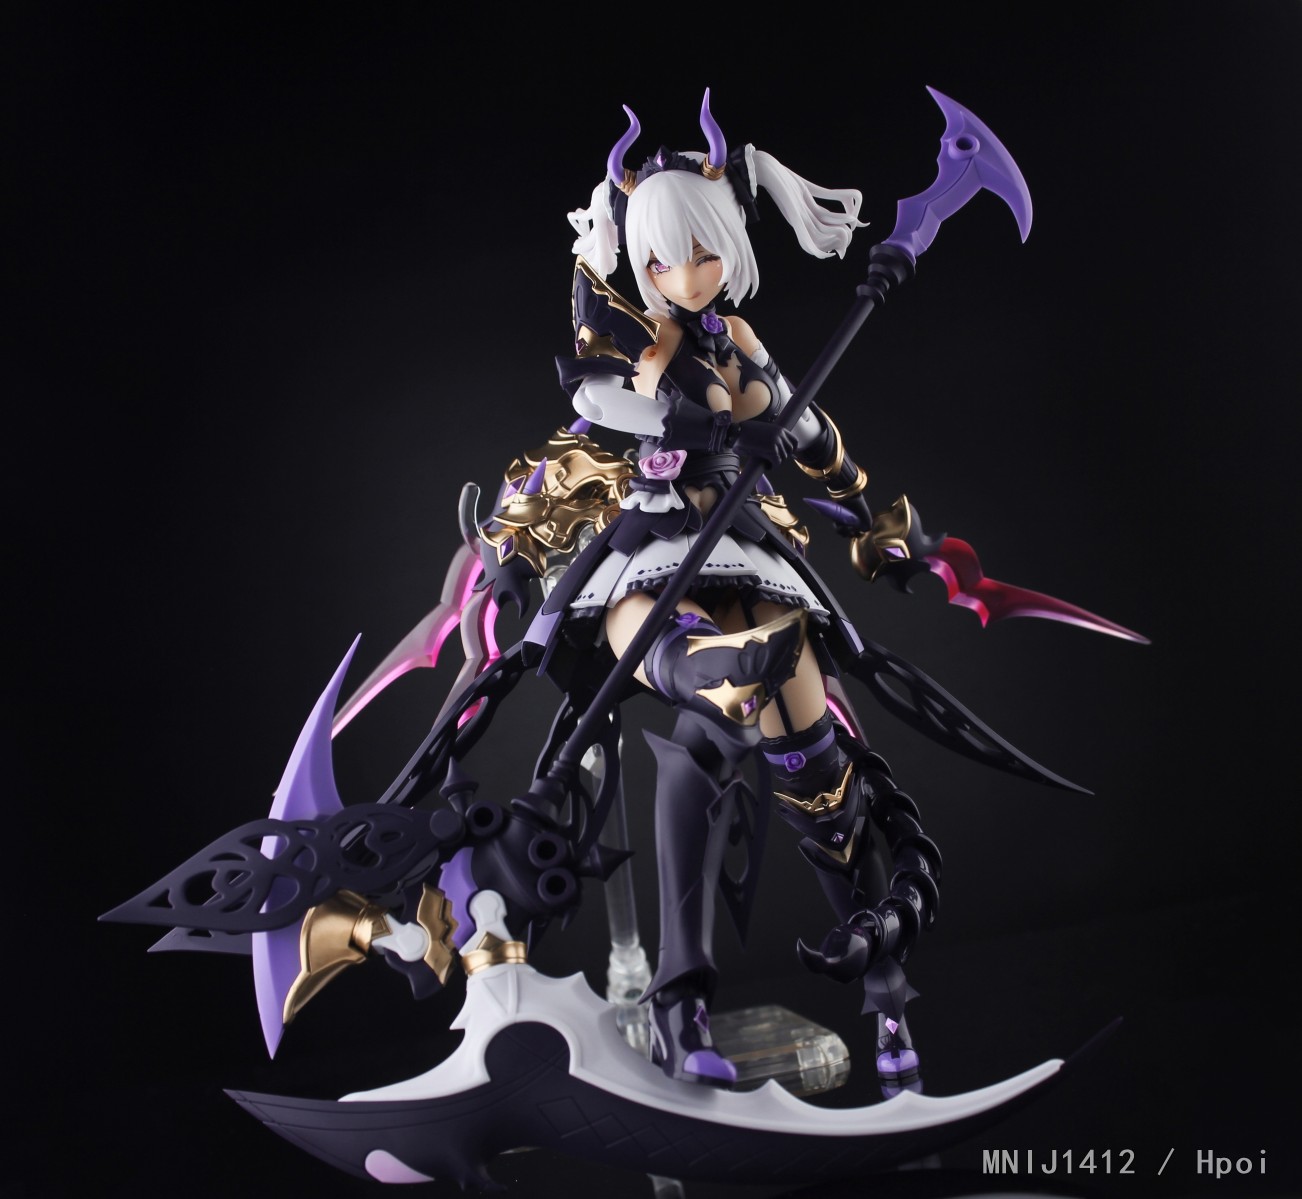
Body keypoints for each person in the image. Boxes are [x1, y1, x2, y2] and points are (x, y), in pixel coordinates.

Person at [481, 91, 939, 1088]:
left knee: (819, 771)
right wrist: (516, 544)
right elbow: (581, 422)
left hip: (751, 546)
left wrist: (876, 520)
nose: (681, 274)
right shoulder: (635, 345)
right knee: (702, 684)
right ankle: (680, 1003)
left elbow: (813, 438)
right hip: (655, 551)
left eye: (699, 252)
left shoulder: (739, 337)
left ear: (729, 244)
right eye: (660, 259)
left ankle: (887, 997)